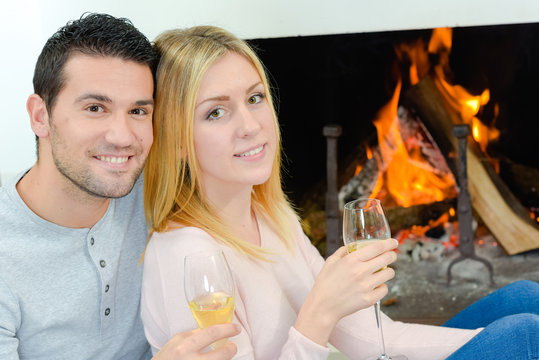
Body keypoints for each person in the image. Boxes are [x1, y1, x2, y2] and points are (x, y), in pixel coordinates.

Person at [141, 25, 539, 360]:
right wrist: (320, 311)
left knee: (522, 303)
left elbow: (370, 340)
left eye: (254, 98)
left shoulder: (271, 216)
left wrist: (489, 343)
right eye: (216, 111)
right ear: (176, 140)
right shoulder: (191, 260)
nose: (250, 125)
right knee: (524, 335)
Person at [0, 13, 239, 360]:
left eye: (138, 111)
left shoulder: (155, 188)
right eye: (95, 108)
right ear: (40, 116)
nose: (122, 137)